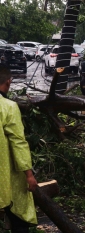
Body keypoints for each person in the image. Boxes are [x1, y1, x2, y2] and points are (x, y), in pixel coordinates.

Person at [0, 65, 38, 232]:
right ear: (8, 82)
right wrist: (28, 174)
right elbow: (18, 142)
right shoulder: (8, 107)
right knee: (18, 213)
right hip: (5, 172)